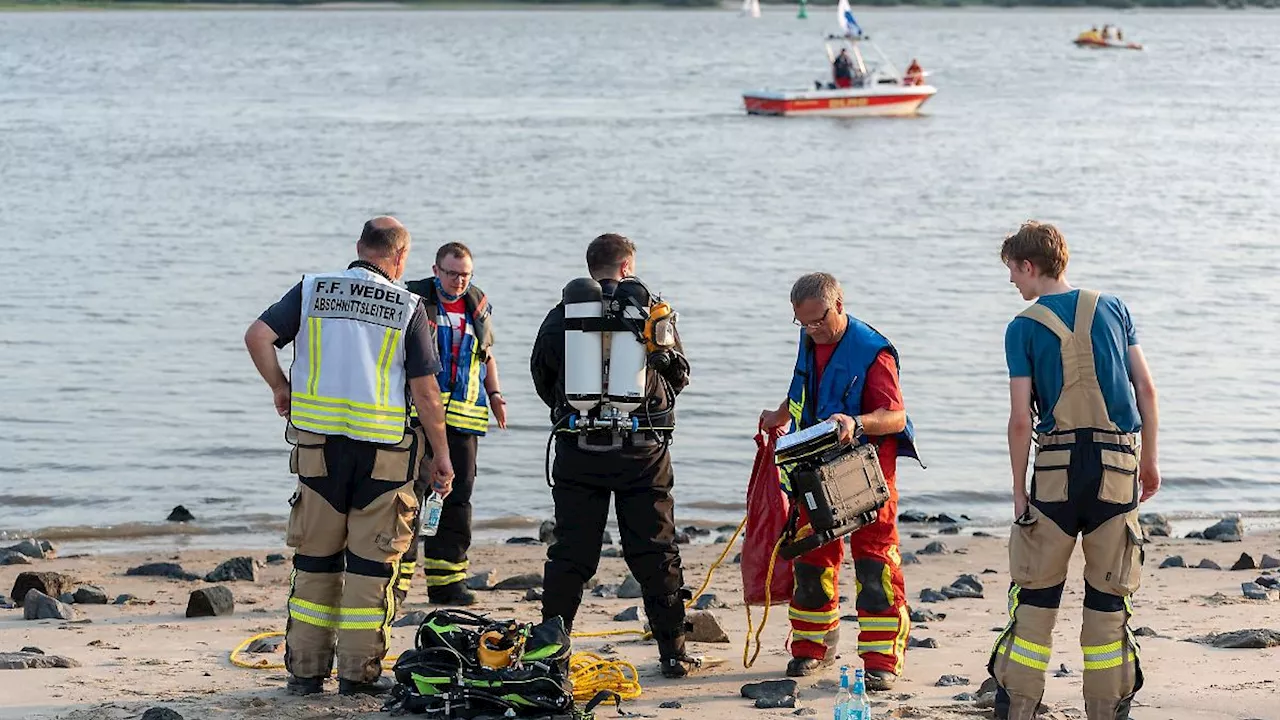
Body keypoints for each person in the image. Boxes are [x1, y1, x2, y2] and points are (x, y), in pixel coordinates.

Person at [244, 216, 454, 697]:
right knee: (370, 568)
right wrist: (441, 455)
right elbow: (425, 393)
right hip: (383, 457)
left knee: (316, 561)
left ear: (359, 247)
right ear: (400, 258)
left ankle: (305, 672)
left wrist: (281, 387)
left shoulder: (313, 289)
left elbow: (256, 336)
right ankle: (358, 678)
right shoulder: (407, 306)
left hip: (319, 452)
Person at [988, 221, 1160, 720]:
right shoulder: (1115, 308)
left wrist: (1019, 491)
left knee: (1037, 595)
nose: (1012, 284)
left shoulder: (1022, 327)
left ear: (1029, 265)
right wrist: (1149, 461)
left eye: (1012, 273)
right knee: (1108, 598)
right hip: (1116, 467)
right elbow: (1146, 390)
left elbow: (1022, 420)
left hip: (1057, 472)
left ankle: (1017, 706)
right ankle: (1107, 710)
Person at [530, 233, 700, 679]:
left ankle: (551, 654)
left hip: (579, 449)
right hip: (643, 453)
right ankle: (673, 653)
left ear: (591, 269)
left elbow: (542, 375)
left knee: (570, 554)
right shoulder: (650, 313)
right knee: (656, 552)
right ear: (628, 267)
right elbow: (678, 376)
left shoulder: (564, 314)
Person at [760, 273, 921, 688]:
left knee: (875, 565)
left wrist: (857, 421)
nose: (813, 330)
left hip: (866, 475)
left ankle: (882, 659)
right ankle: (812, 648)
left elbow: (897, 417)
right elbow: (804, 387)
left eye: (819, 321)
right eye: (804, 324)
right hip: (815, 469)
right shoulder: (810, 338)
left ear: (839, 303)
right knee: (811, 558)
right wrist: (780, 415)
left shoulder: (872, 351)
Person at [394, 242, 507, 607]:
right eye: (452, 273)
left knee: (457, 500)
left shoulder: (478, 306)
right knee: (409, 497)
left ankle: (447, 582)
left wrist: (496, 396)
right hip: (417, 417)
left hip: (466, 418)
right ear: (435, 270)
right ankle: (397, 579)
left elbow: (487, 355)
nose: (459, 281)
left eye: (465, 274)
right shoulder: (413, 301)